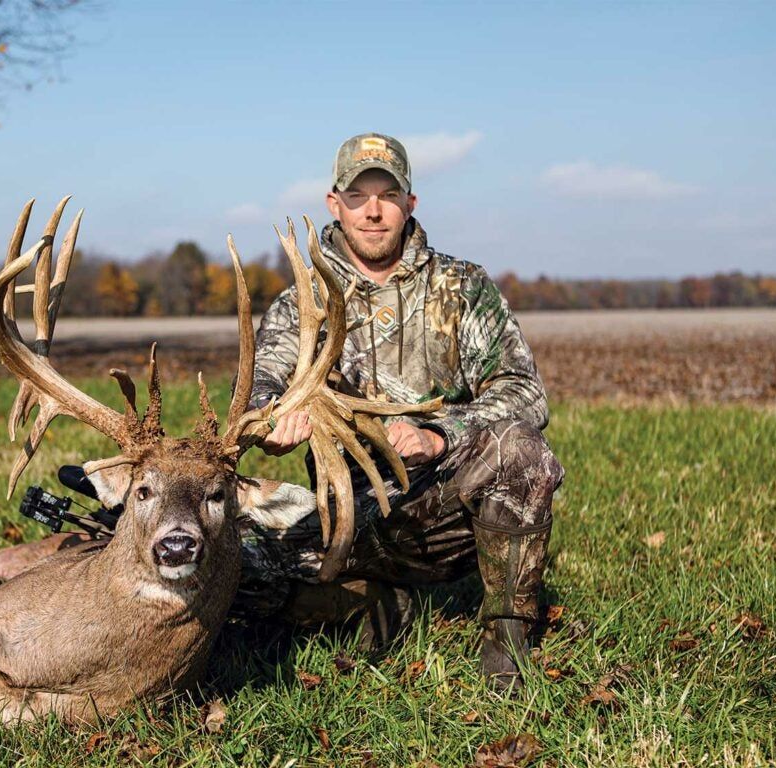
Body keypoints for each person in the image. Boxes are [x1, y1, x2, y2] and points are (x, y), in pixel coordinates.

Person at [238, 132, 565, 692]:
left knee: (521, 450)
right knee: (222, 562)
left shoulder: (461, 287)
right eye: (357, 194)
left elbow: (523, 390)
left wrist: (440, 435)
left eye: (386, 194)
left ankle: (506, 640)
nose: (372, 210)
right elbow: (258, 394)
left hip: (447, 507)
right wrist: (271, 423)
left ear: (410, 203)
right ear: (333, 203)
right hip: (351, 520)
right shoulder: (301, 304)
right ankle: (365, 605)